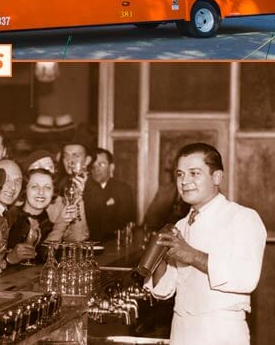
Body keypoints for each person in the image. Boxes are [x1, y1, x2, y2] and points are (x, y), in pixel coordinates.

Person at [146, 143, 266, 345]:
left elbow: (247, 278)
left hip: (220, 332)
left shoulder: (242, 218)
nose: (185, 181)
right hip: (180, 332)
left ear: (217, 177)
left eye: (195, 173)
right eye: (180, 174)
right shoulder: (180, 225)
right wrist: (159, 257)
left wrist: (191, 255)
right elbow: (163, 290)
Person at [6, 169, 77, 265]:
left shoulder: (48, 223)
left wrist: (63, 220)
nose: (41, 192)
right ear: (25, 189)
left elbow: (45, 257)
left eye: (47, 188)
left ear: (53, 193)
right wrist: (9, 258)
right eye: (34, 187)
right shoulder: (9, 216)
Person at [84, 149, 135, 242]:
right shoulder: (84, 189)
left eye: (101, 164)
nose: (96, 169)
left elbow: (126, 222)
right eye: (93, 165)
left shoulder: (123, 189)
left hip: (114, 243)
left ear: (111, 167)